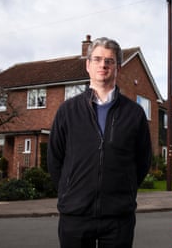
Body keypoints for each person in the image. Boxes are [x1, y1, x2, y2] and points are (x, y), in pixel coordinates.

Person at [47, 36, 152, 248]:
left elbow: (142, 160)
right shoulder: (67, 110)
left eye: (109, 60)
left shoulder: (134, 113)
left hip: (118, 217)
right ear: (88, 65)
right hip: (75, 215)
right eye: (97, 59)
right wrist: (69, 193)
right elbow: (54, 158)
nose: (103, 65)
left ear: (118, 68)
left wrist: (126, 189)